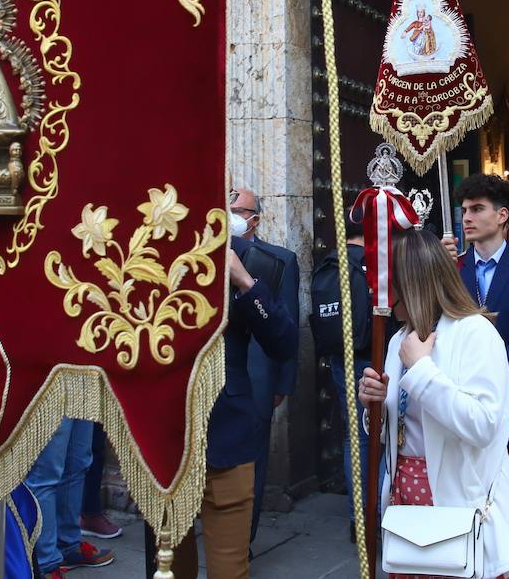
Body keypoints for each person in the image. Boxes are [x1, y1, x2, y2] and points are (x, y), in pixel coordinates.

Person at [358, 228, 509, 578]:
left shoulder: (475, 332)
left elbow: (483, 425)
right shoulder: (399, 339)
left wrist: (422, 370)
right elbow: (396, 433)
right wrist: (375, 408)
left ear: (410, 281)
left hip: (460, 500)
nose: (375, 292)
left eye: (384, 282)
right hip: (406, 500)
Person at [146, 242, 297, 578]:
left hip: (228, 434)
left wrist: (245, 281)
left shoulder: (246, 257)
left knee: (230, 569)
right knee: (170, 569)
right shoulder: (148, 245)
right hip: (164, 439)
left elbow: (284, 342)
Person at [443, 173, 509, 469]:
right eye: (464, 210)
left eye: (477, 209)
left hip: (507, 397)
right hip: (457, 400)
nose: (467, 217)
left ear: (502, 215)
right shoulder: (453, 269)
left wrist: (486, 361)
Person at [230, 186, 301, 541]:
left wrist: (282, 383)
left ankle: (244, 538)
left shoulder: (277, 261)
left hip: (258, 377)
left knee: (251, 467)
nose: (229, 213)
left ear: (254, 219)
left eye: (238, 209)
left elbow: (287, 323)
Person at [308, 218, 373, 540]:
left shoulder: (330, 262)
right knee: (387, 436)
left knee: (354, 437)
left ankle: (357, 520)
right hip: (373, 358)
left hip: (341, 358)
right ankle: (385, 510)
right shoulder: (372, 263)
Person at [26, 416, 114, 575]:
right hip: (50, 392)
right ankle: (45, 564)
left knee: (78, 465)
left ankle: (68, 545)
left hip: (81, 391)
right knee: (46, 475)